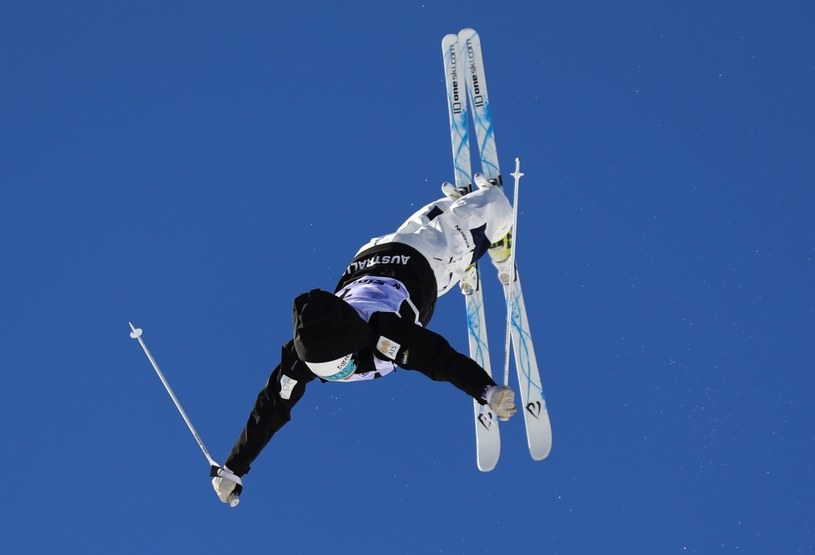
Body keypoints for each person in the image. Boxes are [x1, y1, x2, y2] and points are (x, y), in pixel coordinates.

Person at [212, 174, 518, 504]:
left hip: (422, 259)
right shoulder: (302, 355)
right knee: (429, 225)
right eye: (330, 376)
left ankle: (491, 227)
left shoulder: (385, 333)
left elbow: (438, 360)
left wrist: (486, 390)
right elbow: (270, 409)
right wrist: (233, 468)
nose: (342, 377)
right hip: (371, 257)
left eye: (342, 369)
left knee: (487, 216)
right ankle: (459, 217)